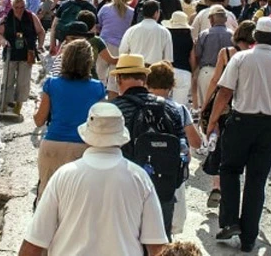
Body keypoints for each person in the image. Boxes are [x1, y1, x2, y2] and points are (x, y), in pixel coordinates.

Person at [19, 103, 168, 256]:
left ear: (87, 137)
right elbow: (157, 246)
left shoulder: (63, 175)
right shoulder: (139, 178)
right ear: (122, 137)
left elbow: (34, 244)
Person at [206, 16, 271, 253]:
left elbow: (225, 92)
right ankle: (249, 237)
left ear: (255, 36)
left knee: (229, 169)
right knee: (256, 181)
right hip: (269, 126)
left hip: (241, 121)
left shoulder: (240, 58)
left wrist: (212, 120)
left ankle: (230, 221)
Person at [109, 54, 186, 240]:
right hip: (163, 187)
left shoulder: (114, 109)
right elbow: (184, 150)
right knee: (159, 243)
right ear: (144, 79)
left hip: (127, 189)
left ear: (119, 79)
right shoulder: (170, 109)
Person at [33, 38, 106, 199]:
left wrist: (35, 107)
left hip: (53, 143)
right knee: (76, 200)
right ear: (89, 61)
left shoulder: (51, 84)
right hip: (83, 147)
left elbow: (39, 120)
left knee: (47, 197)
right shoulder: (98, 88)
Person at [200, 20, 256, 209]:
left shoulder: (226, 53)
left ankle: (216, 185)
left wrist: (206, 104)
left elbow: (216, 80)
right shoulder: (253, 57)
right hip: (245, 107)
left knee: (218, 144)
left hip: (224, 107)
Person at [147, 61, 202, 237]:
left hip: (145, 170)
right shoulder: (179, 110)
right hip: (172, 173)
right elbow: (196, 142)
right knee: (168, 226)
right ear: (172, 85)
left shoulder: (142, 108)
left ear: (147, 83)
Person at [0, 0, 45, 117]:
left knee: (23, 81)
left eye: (21, 7)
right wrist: (3, 41)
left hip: (27, 53)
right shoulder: (7, 18)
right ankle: (5, 104)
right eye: (16, 7)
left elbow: (41, 32)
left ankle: (19, 105)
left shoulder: (31, 17)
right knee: (8, 79)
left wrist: (39, 46)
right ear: (12, 6)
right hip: (11, 52)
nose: (19, 10)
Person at [194, 5, 234, 110]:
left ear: (211, 19)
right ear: (225, 19)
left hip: (207, 71)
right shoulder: (233, 36)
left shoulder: (204, 34)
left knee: (205, 107)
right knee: (224, 109)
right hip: (226, 73)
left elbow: (197, 54)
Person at [119, 0, 173, 67]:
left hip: (135, 69)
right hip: (154, 71)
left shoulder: (131, 30)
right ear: (156, 13)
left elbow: (122, 51)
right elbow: (168, 59)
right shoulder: (165, 32)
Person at [162, 11, 195, 106]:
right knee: (179, 106)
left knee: (164, 104)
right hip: (184, 72)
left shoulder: (167, 36)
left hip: (168, 69)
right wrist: (192, 73)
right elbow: (192, 58)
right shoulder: (189, 38)